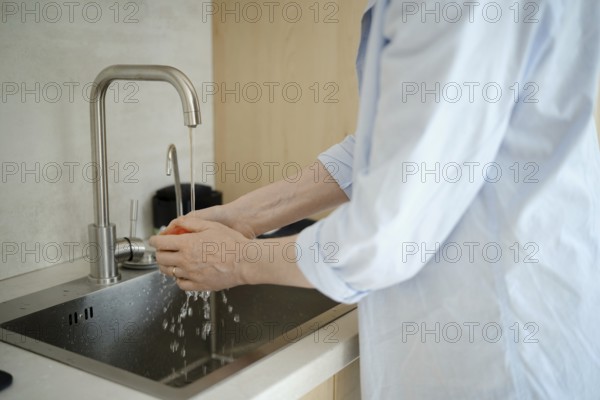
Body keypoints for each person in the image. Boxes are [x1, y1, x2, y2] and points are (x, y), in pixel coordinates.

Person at [150, 0, 600, 398]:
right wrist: (244, 216)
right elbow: (385, 151)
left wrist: (239, 260)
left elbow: (382, 238)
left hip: (500, 353)